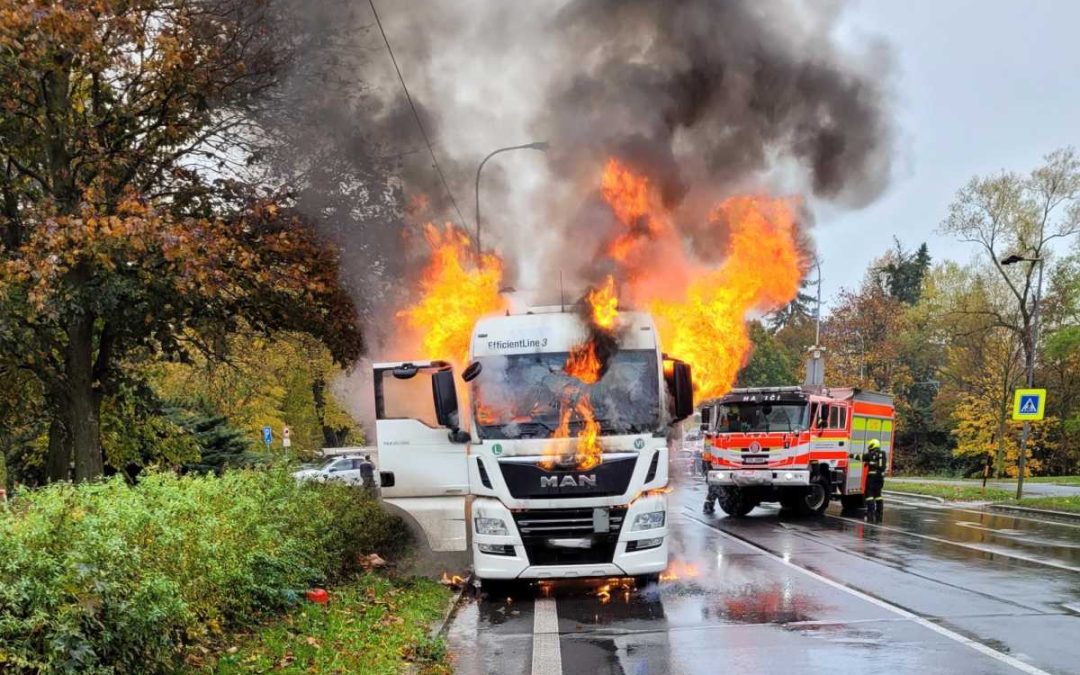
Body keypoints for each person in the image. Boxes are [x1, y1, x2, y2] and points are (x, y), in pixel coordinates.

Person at [864, 438, 887, 522]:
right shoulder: (883, 454)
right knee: (878, 495)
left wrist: (849, 455)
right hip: (880, 478)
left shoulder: (871, 454)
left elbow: (861, 457)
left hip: (872, 478)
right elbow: (882, 466)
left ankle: (870, 513)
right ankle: (879, 513)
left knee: (869, 495)